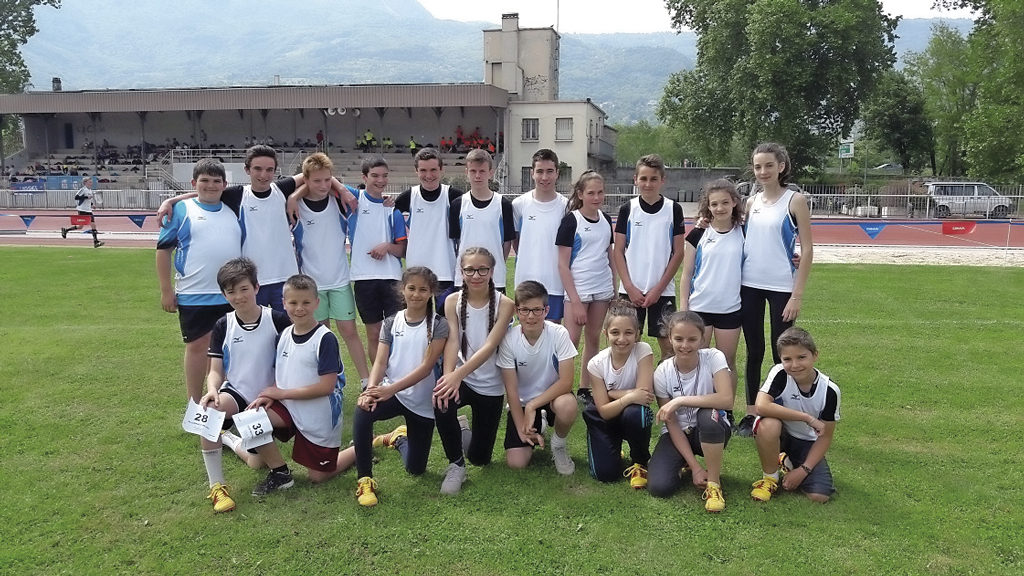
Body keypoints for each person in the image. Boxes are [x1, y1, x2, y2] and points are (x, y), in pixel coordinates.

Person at [155, 145, 357, 311]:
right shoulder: (236, 195)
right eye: (258, 169)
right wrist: (172, 201)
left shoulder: (281, 189)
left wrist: (306, 194)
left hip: (285, 280)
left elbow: (313, 176)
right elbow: (206, 192)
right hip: (252, 283)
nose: (264, 175)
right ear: (247, 170)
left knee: (286, 336)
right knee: (256, 337)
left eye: (269, 170)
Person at [345, 267, 449, 506]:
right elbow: (380, 361)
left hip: (421, 403)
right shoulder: (391, 322)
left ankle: (398, 439)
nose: (416, 294)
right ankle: (365, 480)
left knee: (416, 469)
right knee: (363, 412)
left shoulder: (438, 325)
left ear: (431, 292)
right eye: (411, 288)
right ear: (402, 290)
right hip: (393, 394)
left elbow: (426, 368)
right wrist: (370, 391)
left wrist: (389, 389)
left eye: (423, 289)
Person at [198, 257, 291, 513]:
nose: (239, 297)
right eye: (231, 292)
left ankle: (230, 440)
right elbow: (215, 370)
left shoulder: (278, 320)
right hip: (238, 393)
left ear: (256, 287)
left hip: (271, 397)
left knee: (254, 462)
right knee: (209, 413)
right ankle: (217, 487)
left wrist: (274, 393)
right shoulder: (223, 325)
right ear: (224, 294)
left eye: (244, 289)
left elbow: (293, 363)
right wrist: (213, 390)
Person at [735, 143, 814, 438]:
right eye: (757, 167)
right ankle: (751, 412)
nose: (763, 172)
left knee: (782, 353)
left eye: (768, 165)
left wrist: (797, 294)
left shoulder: (795, 201)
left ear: (781, 166)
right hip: (749, 286)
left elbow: (806, 250)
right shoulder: (751, 202)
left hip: (782, 287)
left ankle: (778, 410)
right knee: (754, 351)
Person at [249, 274, 349, 496]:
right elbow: (285, 372)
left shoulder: (325, 339)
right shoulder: (284, 334)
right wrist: (272, 395)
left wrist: (281, 392)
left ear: (316, 303)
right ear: (284, 303)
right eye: (293, 303)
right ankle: (281, 474)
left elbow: (326, 387)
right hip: (289, 406)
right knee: (251, 420)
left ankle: (364, 446)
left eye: (306, 302)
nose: (299, 308)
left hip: (318, 414)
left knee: (318, 477)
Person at [431, 247, 516, 494]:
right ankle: (456, 465)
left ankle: (463, 429)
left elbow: (490, 346)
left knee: (481, 458)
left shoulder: (505, 304)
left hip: (490, 386)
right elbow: (453, 341)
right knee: (441, 400)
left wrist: (457, 374)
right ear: (461, 271)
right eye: (469, 269)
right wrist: (450, 377)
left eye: (482, 269)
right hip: (463, 380)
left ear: (492, 271)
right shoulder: (451, 301)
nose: (476, 275)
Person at [157, 159, 241, 402]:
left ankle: (220, 402)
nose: (211, 186)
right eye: (204, 181)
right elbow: (163, 251)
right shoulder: (182, 211)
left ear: (225, 185)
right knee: (197, 348)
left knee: (225, 352)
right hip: (194, 293)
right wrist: (165, 290)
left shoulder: (232, 208)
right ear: (194, 183)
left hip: (230, 294)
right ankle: (194, 404)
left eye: (217, 181)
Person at [291, 153, 371, 388]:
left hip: (339, 280)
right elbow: (292, 186)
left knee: (349, 331)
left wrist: (338, 186)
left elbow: (357, 193)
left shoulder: (339, 200)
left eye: (328, 180)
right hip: (311, 284)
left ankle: (366, 380)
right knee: (321, 335)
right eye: (317, 181)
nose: (324, 185)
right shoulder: (295, 204)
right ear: (305, 180)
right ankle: (329, 380)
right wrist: (296, 194)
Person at [648, 311, 733, 513]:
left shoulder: (714, 357)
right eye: (678, 339)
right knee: (659, 487)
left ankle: (714, 484)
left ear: (702, 339)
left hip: (711, 429)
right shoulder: (662, 372)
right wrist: (695, 467)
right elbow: (672, 423)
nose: (685, 345)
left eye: (692, 339)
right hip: (678, 433)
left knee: (707, 415)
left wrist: (680, 400)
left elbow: (726, 399)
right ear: (669, 339)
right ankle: (688, 464)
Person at [749, 327, 840, 503]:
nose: (795, 365)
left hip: (807, 441)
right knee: (769, 424)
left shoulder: (829, 391)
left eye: (801, 357)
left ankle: (788, 461)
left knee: (819, 496)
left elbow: (825, 436)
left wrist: (803, 470)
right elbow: (760, 406)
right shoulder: (779, 373)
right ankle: (770, 479)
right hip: (781, 433)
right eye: (787, 359)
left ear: (815, 355)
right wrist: (807, 417)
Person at [680, 179, 744, 423]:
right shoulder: (698, 234)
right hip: (700, 308)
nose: (720, 208)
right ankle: (700, 410)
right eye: (714, 204)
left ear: (734, 203)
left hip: (730, 308)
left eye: (725, 203)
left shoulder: (743, 232)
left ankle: (726, 410)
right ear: (708, 206)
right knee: (701, 360)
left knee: (727, 362)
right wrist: (684, 308)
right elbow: (686, 274)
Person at [498, 280, 578, 474]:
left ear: (546, 310)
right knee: (517, 462)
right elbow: (512, 390)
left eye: (536, 310)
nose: (530, 316)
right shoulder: (509, 339)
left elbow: (567, 382)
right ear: (517, 311)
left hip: (552, 399)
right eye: (524, 310)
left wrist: (534, 405)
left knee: (567, 405)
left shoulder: (559, 333)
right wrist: (521, 429)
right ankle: (537, 428)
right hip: (523, 404)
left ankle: (558, 445)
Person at [613, 154, 685, 361]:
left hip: (662, 291)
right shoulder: (628, 209)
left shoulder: (673, 209)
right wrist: (629, 287)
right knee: (625, 346)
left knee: (669, 348)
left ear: (663, 180)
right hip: (629, 291)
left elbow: (678, 252)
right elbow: (618, 251)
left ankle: (667, 391)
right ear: (635, 179)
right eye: (643, 179)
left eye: (653, 179)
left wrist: (658, 289)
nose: (648, 183)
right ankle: (629, 391)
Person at [581, 300, 654, 488]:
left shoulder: (643, 351)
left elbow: (644, 395)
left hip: (631, 413)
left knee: (637, 413)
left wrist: (611, 393)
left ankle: (639, 461)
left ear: (637, 334)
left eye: (629, 332)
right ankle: (612, 448)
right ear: (606, 334)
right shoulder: (596, 364)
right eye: (615, 332)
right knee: (605, 475)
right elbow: (604, 411)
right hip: (605, 417)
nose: (622, 339)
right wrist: (629, 396)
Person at [556, 170, 615, 402]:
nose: (596, 197)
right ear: (580, 194)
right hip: (578, 290)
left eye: (600, 192)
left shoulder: (606, 219)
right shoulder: (571, 221)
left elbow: (609, 256)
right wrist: (576, 301)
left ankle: (585, 389)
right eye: (591, 193)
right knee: (571, 341)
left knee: (594, 339)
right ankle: (563, 387)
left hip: (601, 289)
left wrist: (613, 288)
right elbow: (562, 265)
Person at [348, 156, 407, 365]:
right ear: (364, 177)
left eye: (384, 176)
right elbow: (330, 182)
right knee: (373, 334)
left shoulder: (393, 210)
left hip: (391, 279)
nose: (380, 180)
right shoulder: (354, 202)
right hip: (364, 279)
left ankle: (397, 378)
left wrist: (387, 246)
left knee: (395, 334)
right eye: (374, 176)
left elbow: (401, 250)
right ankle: (378, 379)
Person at [394, 148, 464, 307]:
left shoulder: (454, 196)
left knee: (446, 322)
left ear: (441, 169)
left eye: (433, 170)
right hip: (416, 272)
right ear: (416, 171)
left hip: (446, 271)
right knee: (417, 321)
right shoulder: (407, 197)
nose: (429, 175)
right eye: (423, 170)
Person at [448, 149, 516, 293]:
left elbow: (507, 243)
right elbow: (456, 242)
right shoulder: (457, 204)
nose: (477, 176)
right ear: (466, 172)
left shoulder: (503, 204)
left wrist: (495, 266)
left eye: (482, 171)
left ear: (491, 172)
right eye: (473, 171)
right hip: (465, 277)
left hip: (495, 277)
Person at [512, 149, 568, 321]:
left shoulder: (566, 207)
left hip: (555, 284)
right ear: (532, 173)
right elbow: (516, 241)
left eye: (550, 171)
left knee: (553, 335)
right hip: (526, 283)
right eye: (540, 171)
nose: (545, 177)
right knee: (527, 335)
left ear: (557, 173)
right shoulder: (519, 205)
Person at [61, 177, 103, 247]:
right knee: (81, 226)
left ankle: (95, 241)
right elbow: (76, 197)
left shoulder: (90, 190)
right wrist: (86, 197)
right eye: (89, 182)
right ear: (85, 183)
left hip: (89, 210)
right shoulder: (83, 190)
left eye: (91, 182)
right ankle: (66, 230)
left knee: (92, 225)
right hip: (82, 210)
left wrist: (92, 205)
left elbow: (88, 200)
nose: (91, 183)